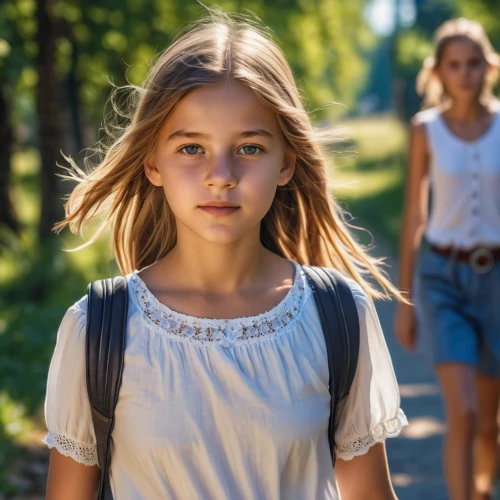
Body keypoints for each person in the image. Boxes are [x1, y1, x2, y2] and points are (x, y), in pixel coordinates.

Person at [43, 11, 407, 500]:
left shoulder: (338, 318)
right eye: (192, 148)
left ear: (286, 162)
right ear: (153, 163)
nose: (221, 175)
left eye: (250, 148)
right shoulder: (97, 329)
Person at [395, 17, 500, 500]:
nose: (465, 73)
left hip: (497, 280)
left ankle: (480, 491)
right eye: (454, 64)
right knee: (464, 413)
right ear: (438, 71)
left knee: (489, 424)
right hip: (443, 278)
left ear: (488, 66)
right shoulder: (425, 129)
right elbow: (415, 213)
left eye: (473, 62)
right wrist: (405, 299)